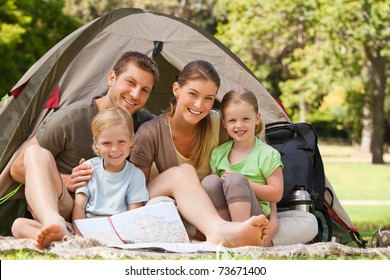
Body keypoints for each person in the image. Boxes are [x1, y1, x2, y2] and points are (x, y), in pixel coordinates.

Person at [10, 51, 159, 249]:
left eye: (144, 90)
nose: (135, 94)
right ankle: (53, 222)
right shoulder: (71, 118)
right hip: (66, 204)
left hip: (113, 211)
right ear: (112, 78)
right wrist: (69, 180)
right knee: (34, 153)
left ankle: (66, 239)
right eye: (130, 82)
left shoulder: (147, 125)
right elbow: (18, 169)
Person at [130, 60, 270, 248]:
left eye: (208, 98)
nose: (199, 105)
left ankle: (213, 232)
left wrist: (274, 219)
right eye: (193, 94)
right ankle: (217, 232)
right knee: (183, 173)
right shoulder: (150, 133)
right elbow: (137, 191)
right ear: (176, 89)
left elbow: (259, 165)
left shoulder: (219, 125)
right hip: (165, 197)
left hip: (210, 205)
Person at [202, 88, 283, 226]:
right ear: (224, 123)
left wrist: (245, 183)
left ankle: (241, 233)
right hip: (225, 213)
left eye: (245, 119)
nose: (239, 125)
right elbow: (213, 189)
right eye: (232, 120)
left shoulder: (267, 154)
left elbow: (276, 194)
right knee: (209, 181)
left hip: (255, 215)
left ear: (257, 119)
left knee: (235, 179)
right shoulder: (218, 153)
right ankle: (226, 230)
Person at [72, 107, 149, 235]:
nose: (114, 149)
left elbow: (133, 215)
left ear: (131, 139)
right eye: (107, 143)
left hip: (120, 230)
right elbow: (79, 206)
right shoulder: (88, 168)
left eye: (121, 142)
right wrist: (79, 236)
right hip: (90, 227)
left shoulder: (135, 175)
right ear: (96, 143)